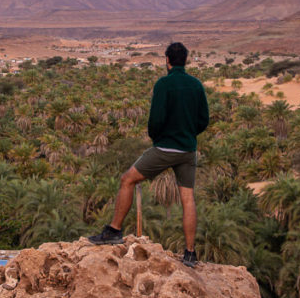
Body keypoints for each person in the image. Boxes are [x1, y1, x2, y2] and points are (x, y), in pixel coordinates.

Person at [88, 41, 210, 267]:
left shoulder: (164, 84)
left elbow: (155, 119)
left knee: (128, 180)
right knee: (188, 198)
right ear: (185, 60)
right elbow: (204, 119)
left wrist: (158, 139)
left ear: (167, 61)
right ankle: (190, 254)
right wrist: (190, 135)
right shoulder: (196, 85)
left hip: (165, 148)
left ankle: (114, 230)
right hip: (188, 151)